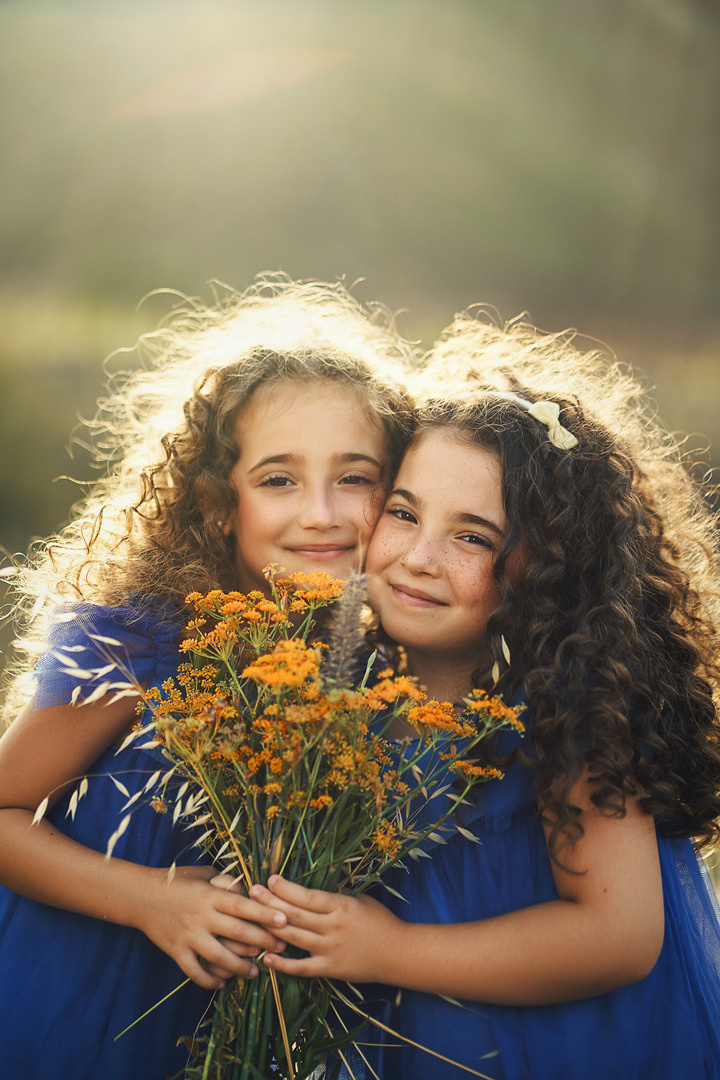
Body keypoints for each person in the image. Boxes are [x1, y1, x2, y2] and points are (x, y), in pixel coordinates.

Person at [249, 314, 720, 1079]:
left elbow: (620, 938)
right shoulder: (344, 682)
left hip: (560, 1048)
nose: (419, 558)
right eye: (403, 513)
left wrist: (389, 949)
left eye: (473, 537)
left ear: (551, 567)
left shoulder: (571, 705)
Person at [0, 275, 415, 1080]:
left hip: (266, 1035)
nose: (323, 513)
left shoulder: (379, 669)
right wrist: (151, 898)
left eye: (357, 478)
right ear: (219, 503)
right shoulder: (137, 641)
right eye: (279, 479)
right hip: (91, 1007)